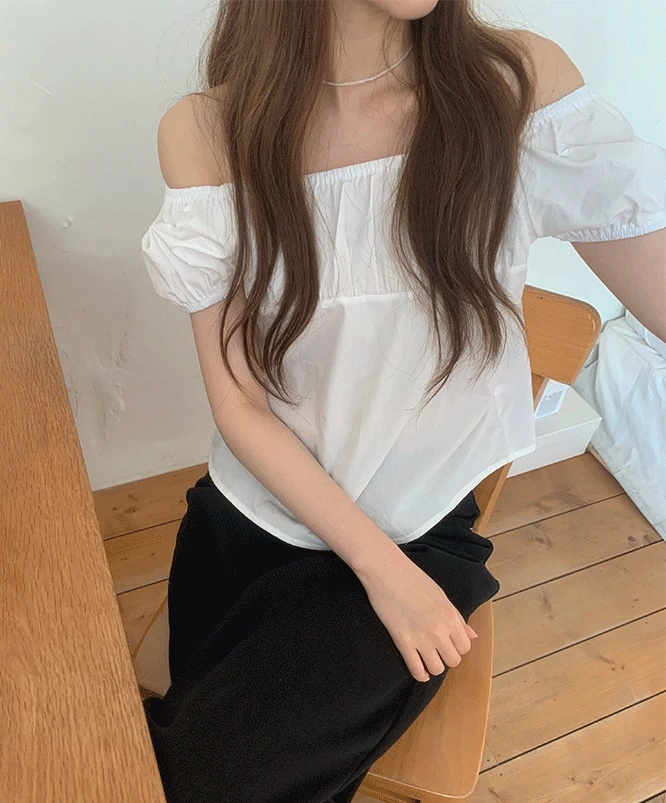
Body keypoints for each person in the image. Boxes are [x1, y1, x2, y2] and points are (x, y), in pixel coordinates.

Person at [140, 1, 666, 801]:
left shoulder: (512, 87)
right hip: (253, 526)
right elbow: (239, 403)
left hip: (418, 533)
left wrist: (396, 575)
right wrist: (378, 570)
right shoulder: (210, 131)